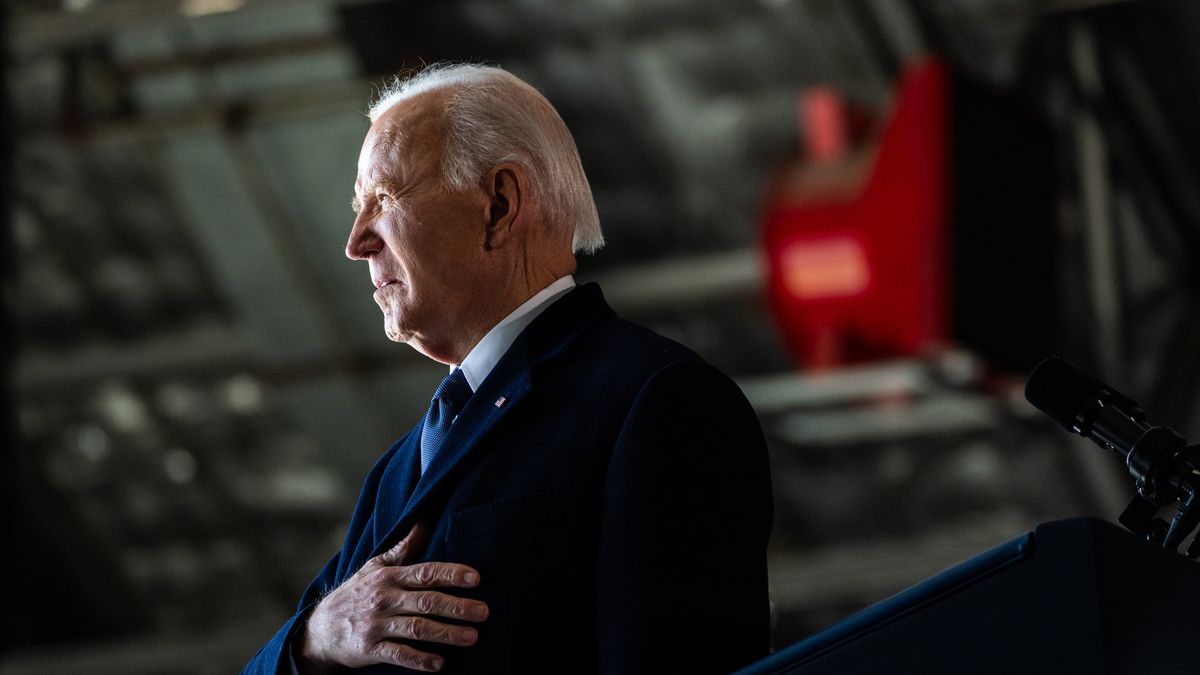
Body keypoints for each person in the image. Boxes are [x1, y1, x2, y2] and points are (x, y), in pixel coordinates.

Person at [241, 63, 773, 675]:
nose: (356, 241)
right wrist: (315, 637)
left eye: (383, 199)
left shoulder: (657, 401)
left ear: (499, 204)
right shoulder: (396, 469)